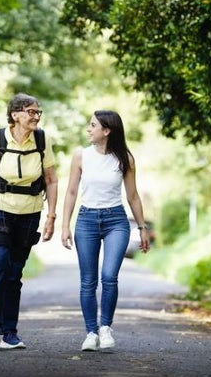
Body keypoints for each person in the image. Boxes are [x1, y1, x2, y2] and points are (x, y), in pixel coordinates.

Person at [0, 92, 58, 349]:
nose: (35, 116)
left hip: (30, 212)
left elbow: (51, 180)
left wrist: (51, 216)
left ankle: (10, 331)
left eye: (38, 112)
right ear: (15, 114)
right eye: (31, 112)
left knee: (15, 271)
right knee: (0, 261)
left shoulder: (42, 140)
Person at [60, 110, 150, 351]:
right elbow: (70, 192)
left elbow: (132, 196)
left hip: (116, 222)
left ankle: (105, 328)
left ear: (107, 130)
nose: (88, 129)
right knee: (88, 281)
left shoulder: (125, 159)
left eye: (93, 126)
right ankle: (90, 332)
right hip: (86, 220)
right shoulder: (81, 156)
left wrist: (142, 228)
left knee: (109, 276)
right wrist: (64, 225)